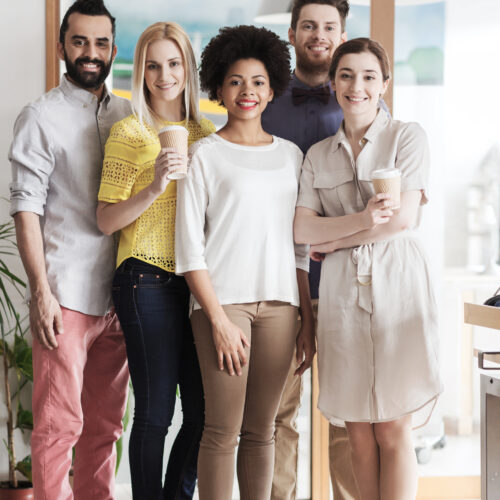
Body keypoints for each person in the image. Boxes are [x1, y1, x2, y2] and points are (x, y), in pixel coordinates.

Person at [294, 38, 443, 500]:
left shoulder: (407, 136)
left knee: (393, 427)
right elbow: (302, 227)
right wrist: (359, 221)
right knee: (358, 430)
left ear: (384, 84)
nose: (356, 86)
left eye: (368, 76)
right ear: (333, 82)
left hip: (398, 283)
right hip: (341, 292)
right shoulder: (318, 155)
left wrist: (335, 237)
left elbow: (402, 218)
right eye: (346, 75)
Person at [175, 25, 315, 500]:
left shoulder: (292, 157)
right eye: (235, 81)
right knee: (222, 429)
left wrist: (307, 320)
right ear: (219, 89)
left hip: (281, 306)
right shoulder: (204, 155)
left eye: (257, 81)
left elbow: (300, 247)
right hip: (223, 306)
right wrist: (215, 319)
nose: (247, 91)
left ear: (273, 87)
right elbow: (188, 248)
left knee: (263, 430)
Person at [8, 1, 131, 498]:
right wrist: (41, 292)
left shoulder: (128, 114)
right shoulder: (41, 117)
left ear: (113, 50)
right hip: (66, 295)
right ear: (61, 47)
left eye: (101, 43)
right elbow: (26, 210)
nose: (90, 53)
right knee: (59, 428)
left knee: (105, 430)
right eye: (79, 41)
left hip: (120, 298)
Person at [96, 22, 215, 499]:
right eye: (152, 65)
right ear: (140, 72)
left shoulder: (206, 134)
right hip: (144, 278)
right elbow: (106, 220)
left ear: (187, 67)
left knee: (205, 413)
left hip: (195, 281)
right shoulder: (130, 132)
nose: (164, 75)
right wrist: (153, 186)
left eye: (173, 63)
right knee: (155, 411)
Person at [261, 1, 359, 498]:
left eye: (328, 27)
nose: (318, 35)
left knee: (349, 420)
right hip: (278, 287)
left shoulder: (362, 106)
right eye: (309, 26)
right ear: (293, 32)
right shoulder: (264, 103)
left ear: (342, 32)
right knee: (276, 416)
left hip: (348, 287)